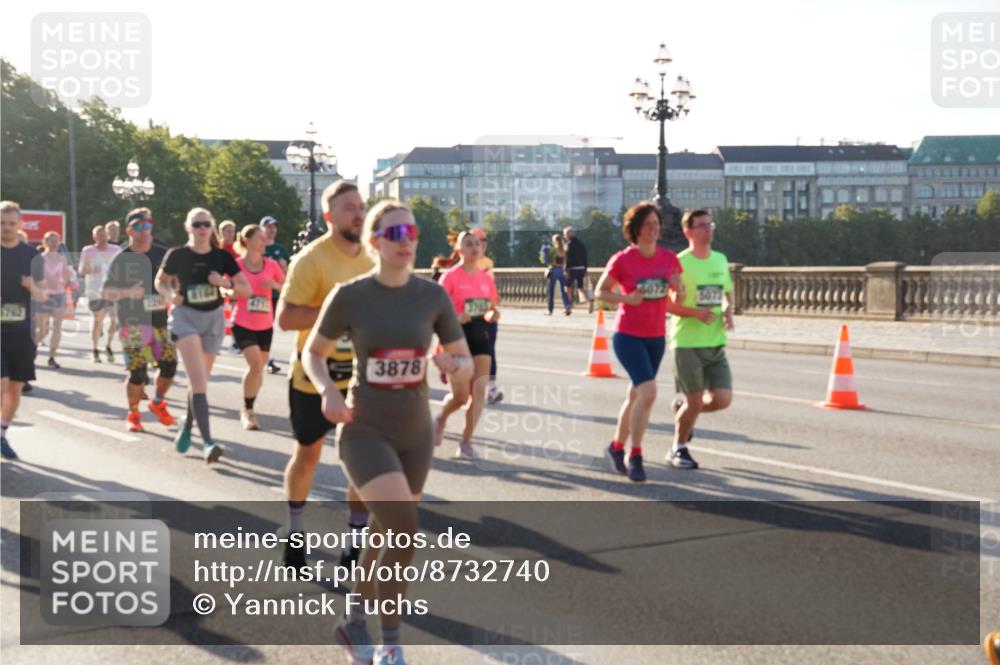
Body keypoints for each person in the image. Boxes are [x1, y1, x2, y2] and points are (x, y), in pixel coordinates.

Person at [304, 200, 471, 665]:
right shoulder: (351, 295)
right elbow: (312, 354)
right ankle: (390, 642)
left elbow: (465, 364)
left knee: (382, 531)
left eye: (412, 232)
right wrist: (327, 392)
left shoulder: (433, 297)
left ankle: (353, 618)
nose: (407, 240)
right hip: (365, 429)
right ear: (375, 242)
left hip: (415, 432)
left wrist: (452, 363)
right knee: (404, 528)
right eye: (395, 233)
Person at [276, 181, 372, 571]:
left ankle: (354, 544)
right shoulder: (310, 260)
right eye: (349, 207)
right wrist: (335, 313)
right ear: (330, 217)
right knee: (309, 454)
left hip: (362, 379)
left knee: (362, 462)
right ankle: (296, 530)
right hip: (313, 378)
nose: (359, 213)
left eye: (362, 206)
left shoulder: (375, 258)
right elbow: (285, 319)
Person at [596, 202, 708, 482]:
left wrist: (679, 293)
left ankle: (615, 446)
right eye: (648, 224)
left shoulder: (669, 258)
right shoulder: (623, 260)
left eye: (656, 224)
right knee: (648, 393)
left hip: (656, 336)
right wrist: (626, 298)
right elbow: (601, 292)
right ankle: (635, 455)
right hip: (628, 336)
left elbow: (675, 296)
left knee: (635, 395)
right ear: (636, 229)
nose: (654, 229)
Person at [156, 208, 251, 463]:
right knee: (198, 381)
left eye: (206, 224)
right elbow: (160, 281)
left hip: (213, 319)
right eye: (197, 224)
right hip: (185, 317)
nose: (201, 229)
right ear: (188, 228)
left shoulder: (222, 257)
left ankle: (187, 426)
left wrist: (225, 283)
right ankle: (208, 442)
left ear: (212, 227)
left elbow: (246, 288)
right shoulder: (177, 255)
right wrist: (169, 296)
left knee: (199, 382)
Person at [669, 209, 736, 470]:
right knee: (695, 401)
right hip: (686, 342)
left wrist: (728, 309)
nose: (708, 229)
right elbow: (666, 305)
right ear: (688, 232)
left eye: (710, 224)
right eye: (702, 225)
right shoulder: (679, 263)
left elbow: (727, 292)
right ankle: (679, 448)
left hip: (715, 341)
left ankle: (682, 411)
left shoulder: (720, 259)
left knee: (722, 399)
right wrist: (695, 312)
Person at [102, 208, 178, 432]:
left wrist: (173, 292)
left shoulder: (163, 254)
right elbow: (106, 292)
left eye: (146, 226)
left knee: (169, 366)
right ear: (129, 231)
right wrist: (127, 293)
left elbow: (174, 281)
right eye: (138, 227)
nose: (143, 230)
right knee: (138, 372)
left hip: (159, 322)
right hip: (132, 322)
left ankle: (157, 402)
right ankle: (134, 414)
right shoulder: (122, 258)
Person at [436, 231, 500, 460]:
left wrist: (493, 314)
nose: (474, 248)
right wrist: (457, 316)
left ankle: (466, 442)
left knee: (479, 389)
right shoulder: (450, 277)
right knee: (461, 396)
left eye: (478, 244)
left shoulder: (485, 279)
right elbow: (438, 311)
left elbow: (492, 305)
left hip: (481, 335)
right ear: (459, 250)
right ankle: (442, 417)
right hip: (455, 336)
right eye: (469, 244)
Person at [1, 201, 46, 459]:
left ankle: (2, 434)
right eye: (2, 223)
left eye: (11, 223)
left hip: (21, 332)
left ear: (19, 225)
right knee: (1, 383)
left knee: (15, 389)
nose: (6, 228)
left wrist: (32, 287)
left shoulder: (31, 256)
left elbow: (45, 294)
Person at [230, 224, 284, 430]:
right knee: (254, 366)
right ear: (248, 240)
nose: (264, 241)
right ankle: (248, 410)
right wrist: (233, 292)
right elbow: (226, 288)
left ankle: (249, 402)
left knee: (258, 370)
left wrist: (275, 286)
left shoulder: (271, 265)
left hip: (265, 323)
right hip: (242, 321)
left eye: (264, 238)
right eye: (260, 238)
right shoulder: (236, 265)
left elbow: (285, 284)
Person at [79, 224, 122, 363]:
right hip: (94, 290)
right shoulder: (88, 250)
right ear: (94, 237)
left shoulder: (116, 250)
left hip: (112, 290)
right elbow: (81, 270)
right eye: (99, 235)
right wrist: (91, 269)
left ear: (108, 236)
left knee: (114, 320)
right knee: (98, 320)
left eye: (104, 235)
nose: (102, 237)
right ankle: (95, 349)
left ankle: (108, 345)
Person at [469, 227, 503, 404]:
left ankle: (490, 387)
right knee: (469, 353)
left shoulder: (488, 262)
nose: (481, 245)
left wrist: (493, 305)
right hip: (469, 317)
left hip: (486, 315)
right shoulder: (461, 267)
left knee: (489, 351)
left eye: (483, 241)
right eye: (476, 241)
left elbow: (491, 291)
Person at [33, 231, 74, 370]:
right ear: (45, 242)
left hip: (58, 294)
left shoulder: (62, 258)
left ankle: (52, 357)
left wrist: (66, 283)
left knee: (57, 326)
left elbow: (66, 275)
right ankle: (33, 347)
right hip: (43, 295)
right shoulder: (39, 258)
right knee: (43, 329)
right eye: (51, 240)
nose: (54, 243)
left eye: (56, 241)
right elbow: (35, 278)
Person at [262, 216, 290, 374]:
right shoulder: (258, 248)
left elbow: (287, 277)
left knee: (268, 328)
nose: (272, 230)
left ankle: (266, 358)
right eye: (268, 227)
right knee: (261, 328)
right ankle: (263, 357)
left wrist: (284, 268)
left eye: (274, 227)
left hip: (274, 294)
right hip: (258, 295)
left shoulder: (281, 250)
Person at [564, 226, 594, 313]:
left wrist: (566, 269)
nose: (564, 236)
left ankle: (568, 306)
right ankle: (589, 301)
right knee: (580, 287)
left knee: (568, 287)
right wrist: (585, 268)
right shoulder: (581, 244)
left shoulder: (568, 245)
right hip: (581, 268)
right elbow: (585, 257)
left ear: (568, 234)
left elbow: (568, 258)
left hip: (572, 269)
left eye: (565, 234)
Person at [545, 233, 572, 316]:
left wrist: (547, 261)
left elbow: (552, 263)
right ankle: (567, 305)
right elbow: (565, 263)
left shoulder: (553, 250)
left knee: (551, 291)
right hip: (562, 271)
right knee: (563, 290)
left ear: (554, 241)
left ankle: (550, 310)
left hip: (554, 271)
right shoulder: (564, 250)